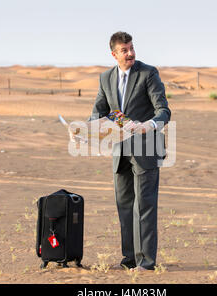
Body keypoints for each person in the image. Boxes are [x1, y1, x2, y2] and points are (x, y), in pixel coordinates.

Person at [71, 31, 171, 271]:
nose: (131, 53)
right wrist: (83, 129)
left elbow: (164, 110)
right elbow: (98, 112)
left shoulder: (148, 73)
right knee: (125, 204)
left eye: (132, 48)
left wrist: (150, 125)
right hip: (120, 151)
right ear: (113, 54)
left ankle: (146, 263)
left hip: (146, 150)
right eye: (125, 50)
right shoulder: (105, 78)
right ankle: (130, 259)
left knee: (144, 205)